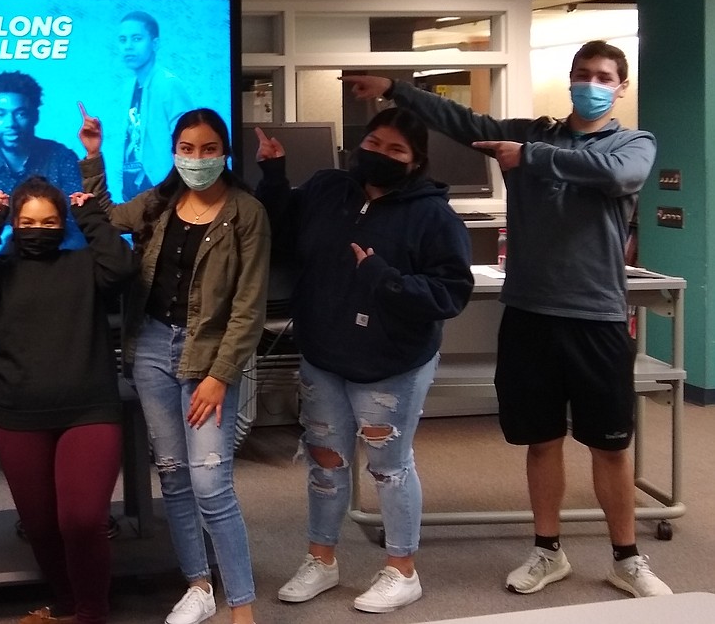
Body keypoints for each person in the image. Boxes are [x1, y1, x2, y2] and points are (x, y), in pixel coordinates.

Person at [341, 40, 670, 598]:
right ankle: (547, 552)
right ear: (570, 79)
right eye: (583, 74)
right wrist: (395, 90)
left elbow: (616, 175)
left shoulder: (631, 143)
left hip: (597, 317)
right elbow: (465, 120)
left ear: (621, 86)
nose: (592, 83)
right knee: (539, 440)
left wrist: (530, 158)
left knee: (610, 446)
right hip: (529, 314)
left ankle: (627, 557)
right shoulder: (532, 133)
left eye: (604, 76)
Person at [254, 109, 474, 613]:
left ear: (416, 162)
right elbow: (282, 232)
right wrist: (273, 175)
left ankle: (402, 570)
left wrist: (383, 278)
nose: (380, 155)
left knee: (388, 468)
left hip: (391, 362)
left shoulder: (433, 215)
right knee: (325, 462)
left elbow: (451, 292)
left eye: (396, 150)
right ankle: (321, 560)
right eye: (374, 142)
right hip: (324, 354)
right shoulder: (329, 188)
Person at [77, 104, 269, 624]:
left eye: (208, 149)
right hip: (152, 350)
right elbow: (104, 217)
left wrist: (220, 376)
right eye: (187, 149)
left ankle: (243, 607)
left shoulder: (245, 212)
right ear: (174, 153)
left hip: (209, 357)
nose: (197, 159)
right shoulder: (161, 202)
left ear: (224, 153)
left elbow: (249, 306)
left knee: (212, 484)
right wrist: (93, 159)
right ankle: (198, 586)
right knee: (174, 477)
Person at [0, 176, 136, 624]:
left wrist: (90, 216)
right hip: (19, 416)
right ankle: (67, 607)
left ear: (63, 223)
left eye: (50, 221)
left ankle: (92, 613)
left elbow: (123, 268)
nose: (38, 228)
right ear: (14, 223)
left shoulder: (86, 265)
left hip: (89, 411)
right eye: (27, 221)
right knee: (41, 527)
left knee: (82, 521)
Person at [0, 70, 83, 248]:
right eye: (0, 115)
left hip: (59, 268)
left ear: (35, 116)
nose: (10, 124)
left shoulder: (63, 160)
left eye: (20, 113)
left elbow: (79, 234)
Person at [110, 12, 195, 202]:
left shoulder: (169, 85)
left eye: (137, 38)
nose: (128, 46)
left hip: (163, 191)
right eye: (123, 40)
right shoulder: (126, 89)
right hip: (131, 192)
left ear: (155, 44)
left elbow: (190, 142)